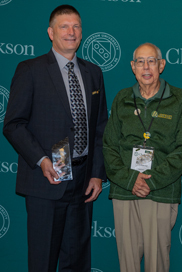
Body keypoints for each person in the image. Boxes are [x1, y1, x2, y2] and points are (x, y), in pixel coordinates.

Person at [2, 4, 108, 272]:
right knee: (43, 261)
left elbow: (100, 128)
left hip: (83, 182)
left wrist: (97, 174)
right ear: (51, 32)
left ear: (82, 33)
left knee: (77, 261)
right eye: (64, 26)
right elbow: (13, 125)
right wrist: (41, 160)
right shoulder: (30, 70)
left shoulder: (93, 72)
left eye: (76, 27)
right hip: (45, 182)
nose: (71, 32)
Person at [103, 43, 182, 272]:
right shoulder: (122, 98)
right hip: (125, 190)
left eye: (151, 60)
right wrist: (132, 180)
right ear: (133, 67)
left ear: (161, 65)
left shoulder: (179, 98)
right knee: (127, 262)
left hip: (160, 191)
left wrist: (150, 181)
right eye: (140, 61)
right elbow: (109, 146)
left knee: (157, 263)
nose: (146, 66)